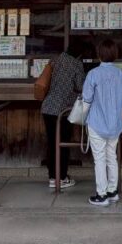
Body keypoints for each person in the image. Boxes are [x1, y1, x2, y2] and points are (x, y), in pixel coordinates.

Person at [81, 38, 122, 207]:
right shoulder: (121, 74)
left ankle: (101, 194)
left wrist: (83, 114)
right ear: (115, 54)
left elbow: (86, 98)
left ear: (99, 55)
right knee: (111, 157)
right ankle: (113, 192)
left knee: (99, 159)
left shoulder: (93, 74)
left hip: (97, 122)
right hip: (115, 123)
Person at [41, 41, 86, 189]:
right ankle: (61, 178)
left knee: (52, 143)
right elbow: (80, 86)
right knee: (63, 144)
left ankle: (52, 177)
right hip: (63, 110)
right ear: (80, 54)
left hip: (48, 107)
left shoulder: (56, 59)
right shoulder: (76, 64)